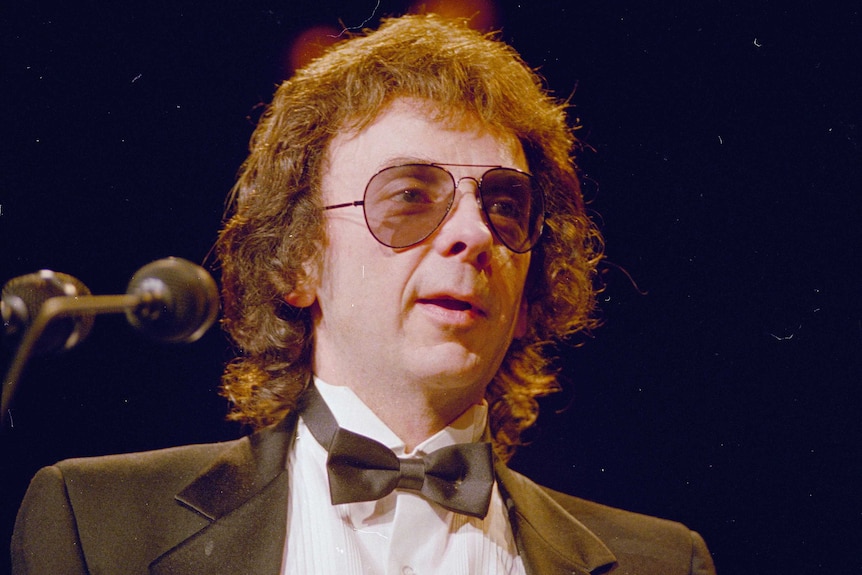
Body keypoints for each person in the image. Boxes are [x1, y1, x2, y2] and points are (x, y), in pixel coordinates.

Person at [12, 14, 717, 575]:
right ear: (299, 259)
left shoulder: (662, 562)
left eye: (505, 205)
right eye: (410, 196)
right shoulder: (98, 525)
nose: (475, 234)